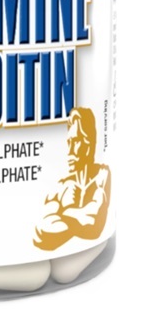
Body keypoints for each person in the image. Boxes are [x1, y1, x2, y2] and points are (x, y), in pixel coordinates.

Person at [34, 107, 111, 251]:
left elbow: (93, 222)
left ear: (89, 144)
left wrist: (63, 214)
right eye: (69, 142)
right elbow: (41, 231)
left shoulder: (102, 174)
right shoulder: (63, 186)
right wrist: (78, 215)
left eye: (75, 142)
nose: (70, 151)